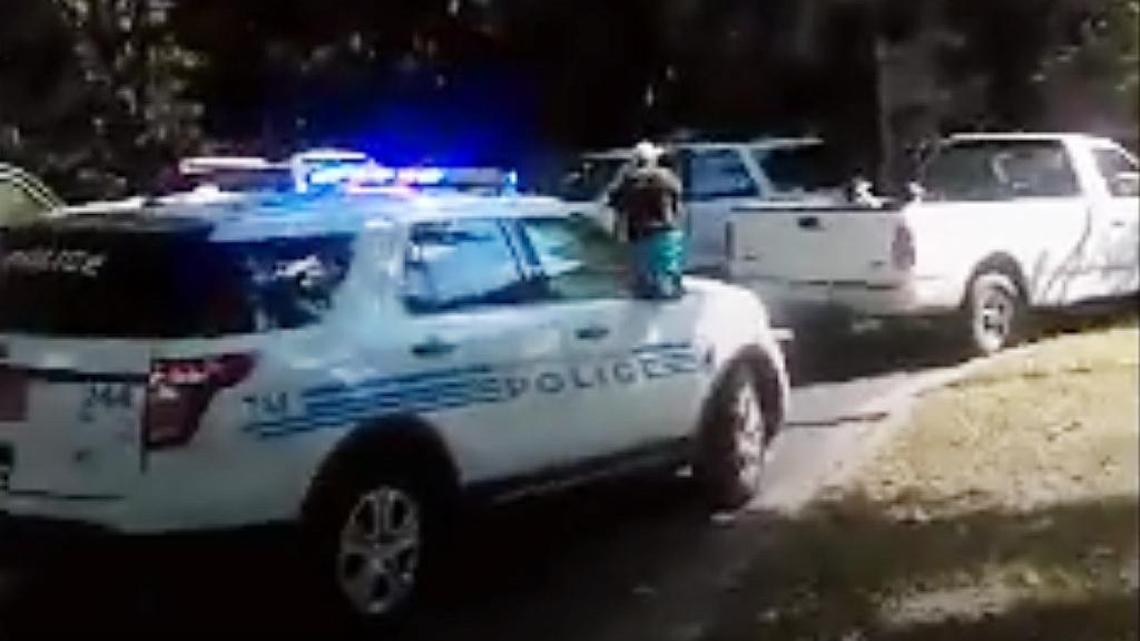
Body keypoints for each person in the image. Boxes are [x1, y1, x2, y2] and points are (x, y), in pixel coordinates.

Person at [608, 141, 685, 299]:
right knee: (669, 275)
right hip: (667, 233)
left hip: (640, 235)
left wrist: (622, 174)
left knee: (643, 281)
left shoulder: (629, 180)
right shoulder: (666, 177)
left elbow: (614, 201)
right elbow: (677, 199)